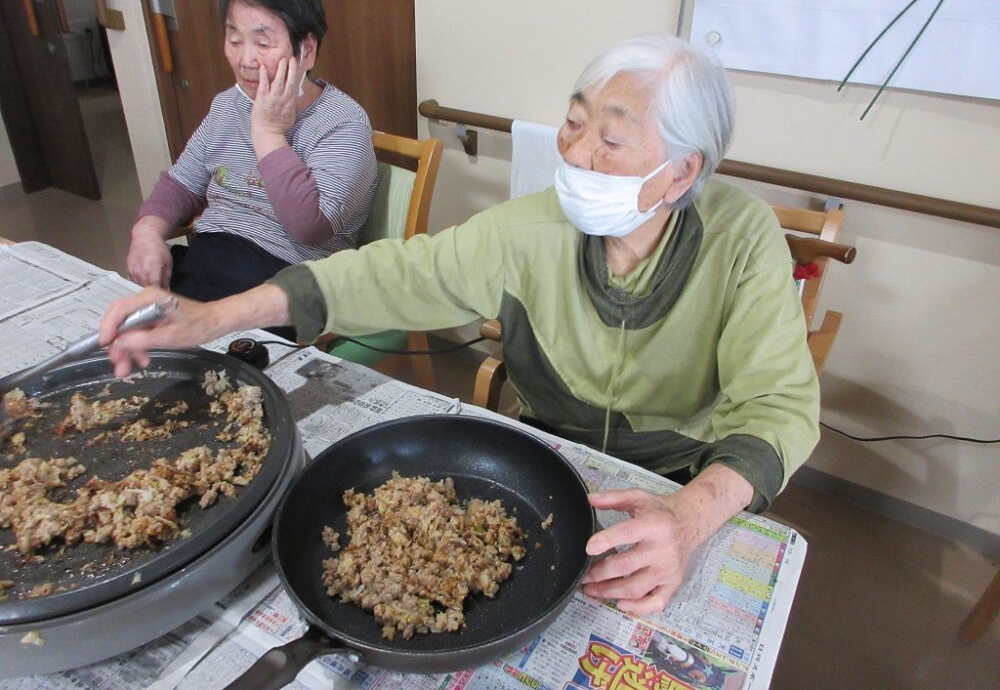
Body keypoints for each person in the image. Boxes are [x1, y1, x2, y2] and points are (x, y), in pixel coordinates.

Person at [100, 34, 819, 616]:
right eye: (573, 124)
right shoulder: (533, 228)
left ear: (680, 173)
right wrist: (215, 316)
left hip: (679, 480)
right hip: (547, 464)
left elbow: (780, 406)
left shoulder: (742, 237)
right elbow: (394, 275)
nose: (574, 155)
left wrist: (688, 518)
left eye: (611, 141)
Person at [126, 0, 378, 303]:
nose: (245, 59)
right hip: (207, 261)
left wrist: (269, 132)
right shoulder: (227, 105)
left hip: (284, 282)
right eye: (234, 40)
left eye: (262, 43)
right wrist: (146, 233)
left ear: (307, 50)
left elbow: (310, 228)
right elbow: (181, 184)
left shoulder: (343, 123)